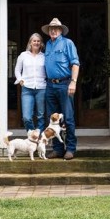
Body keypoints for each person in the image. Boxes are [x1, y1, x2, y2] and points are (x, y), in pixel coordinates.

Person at [41, 17, 80, 160]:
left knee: (68, 118)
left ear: (61, 30)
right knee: (52, 120)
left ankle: (70, 149)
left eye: (56, 28)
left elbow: (75, 64)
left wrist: (73, 82)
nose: (53, 31)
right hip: (50, 85)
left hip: (65, 84)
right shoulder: (48, 45)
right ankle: (57, 149)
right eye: (51, 29)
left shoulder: (68, 43)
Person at [14, 33, 46, 133]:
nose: (36, 43)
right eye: (34, 41)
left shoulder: (45, 56)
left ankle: (39, 138)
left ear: (41, 43)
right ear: (30, 43)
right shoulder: (23, 55)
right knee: (27, 117)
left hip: (41, 88)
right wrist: (20, 80)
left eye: (38, 41)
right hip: (27, 88)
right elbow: (17, 70)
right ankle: (32, 136)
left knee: (41, 116)